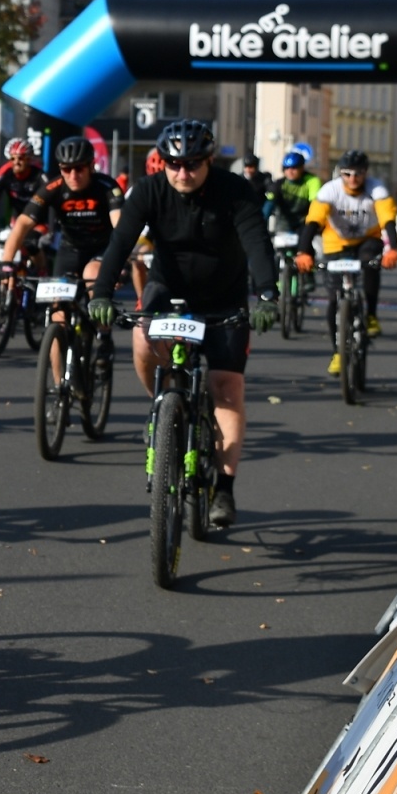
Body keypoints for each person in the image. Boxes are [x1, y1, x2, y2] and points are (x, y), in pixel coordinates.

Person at [88, 120, 279, 529]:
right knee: (142, 343)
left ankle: (224, 487)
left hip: (224, 297)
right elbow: (120, 242)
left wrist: (266, 294)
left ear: (208, 161)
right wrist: (102, 292)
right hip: (168, 290)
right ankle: (161, 407)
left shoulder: (235, 191)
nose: (182, 172)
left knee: (227, 387)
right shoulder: (150, 190)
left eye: (192, 164)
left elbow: (257, 243)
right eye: (174, 163)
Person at [295, 150, 397, 369]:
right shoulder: (329, 191)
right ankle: (337, 352)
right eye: (347, 174)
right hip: (336, 243)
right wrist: (304, 252)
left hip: (366, 239)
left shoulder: (376, 189)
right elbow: (313, 222)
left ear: (366, 173)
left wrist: (393, 249)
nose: (353, 179)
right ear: (340, 173)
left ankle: (370, 314)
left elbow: (388, 219)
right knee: (334, 300)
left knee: (372, 261)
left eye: (358, 174)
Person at [0, 136, 122, 288]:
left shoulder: (107, 186)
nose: (73, 176)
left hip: (102, 247)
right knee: (57, 307)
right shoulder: (53, 187)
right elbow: (22, 223)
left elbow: (121, 226)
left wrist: (121, 261)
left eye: (79, 168)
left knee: (92, 275)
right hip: (70, 248)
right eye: (66, 169)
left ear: (91, 166)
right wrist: (7, 263)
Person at [273, 151, 321, 231]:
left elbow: (315, 205)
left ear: (302, 168)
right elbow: (270, 203)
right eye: (287, 168)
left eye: (294, 168)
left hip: (304, 223)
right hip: (284, 223)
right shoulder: (279, 183)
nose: (290, 172)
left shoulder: (312, 180)